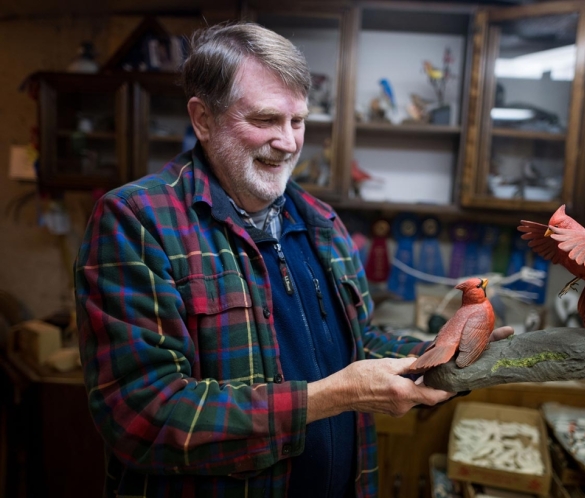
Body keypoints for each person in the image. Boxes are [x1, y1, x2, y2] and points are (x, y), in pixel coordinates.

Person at [75, 21, 511, 498]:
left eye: (298, 121)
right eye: (265, 120)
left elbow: (357, 342)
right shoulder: (139, 222)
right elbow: (143, 417)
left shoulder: (319, 220)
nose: (288, 142)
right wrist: (333, 396)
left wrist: (445, 353)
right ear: (203, 119)